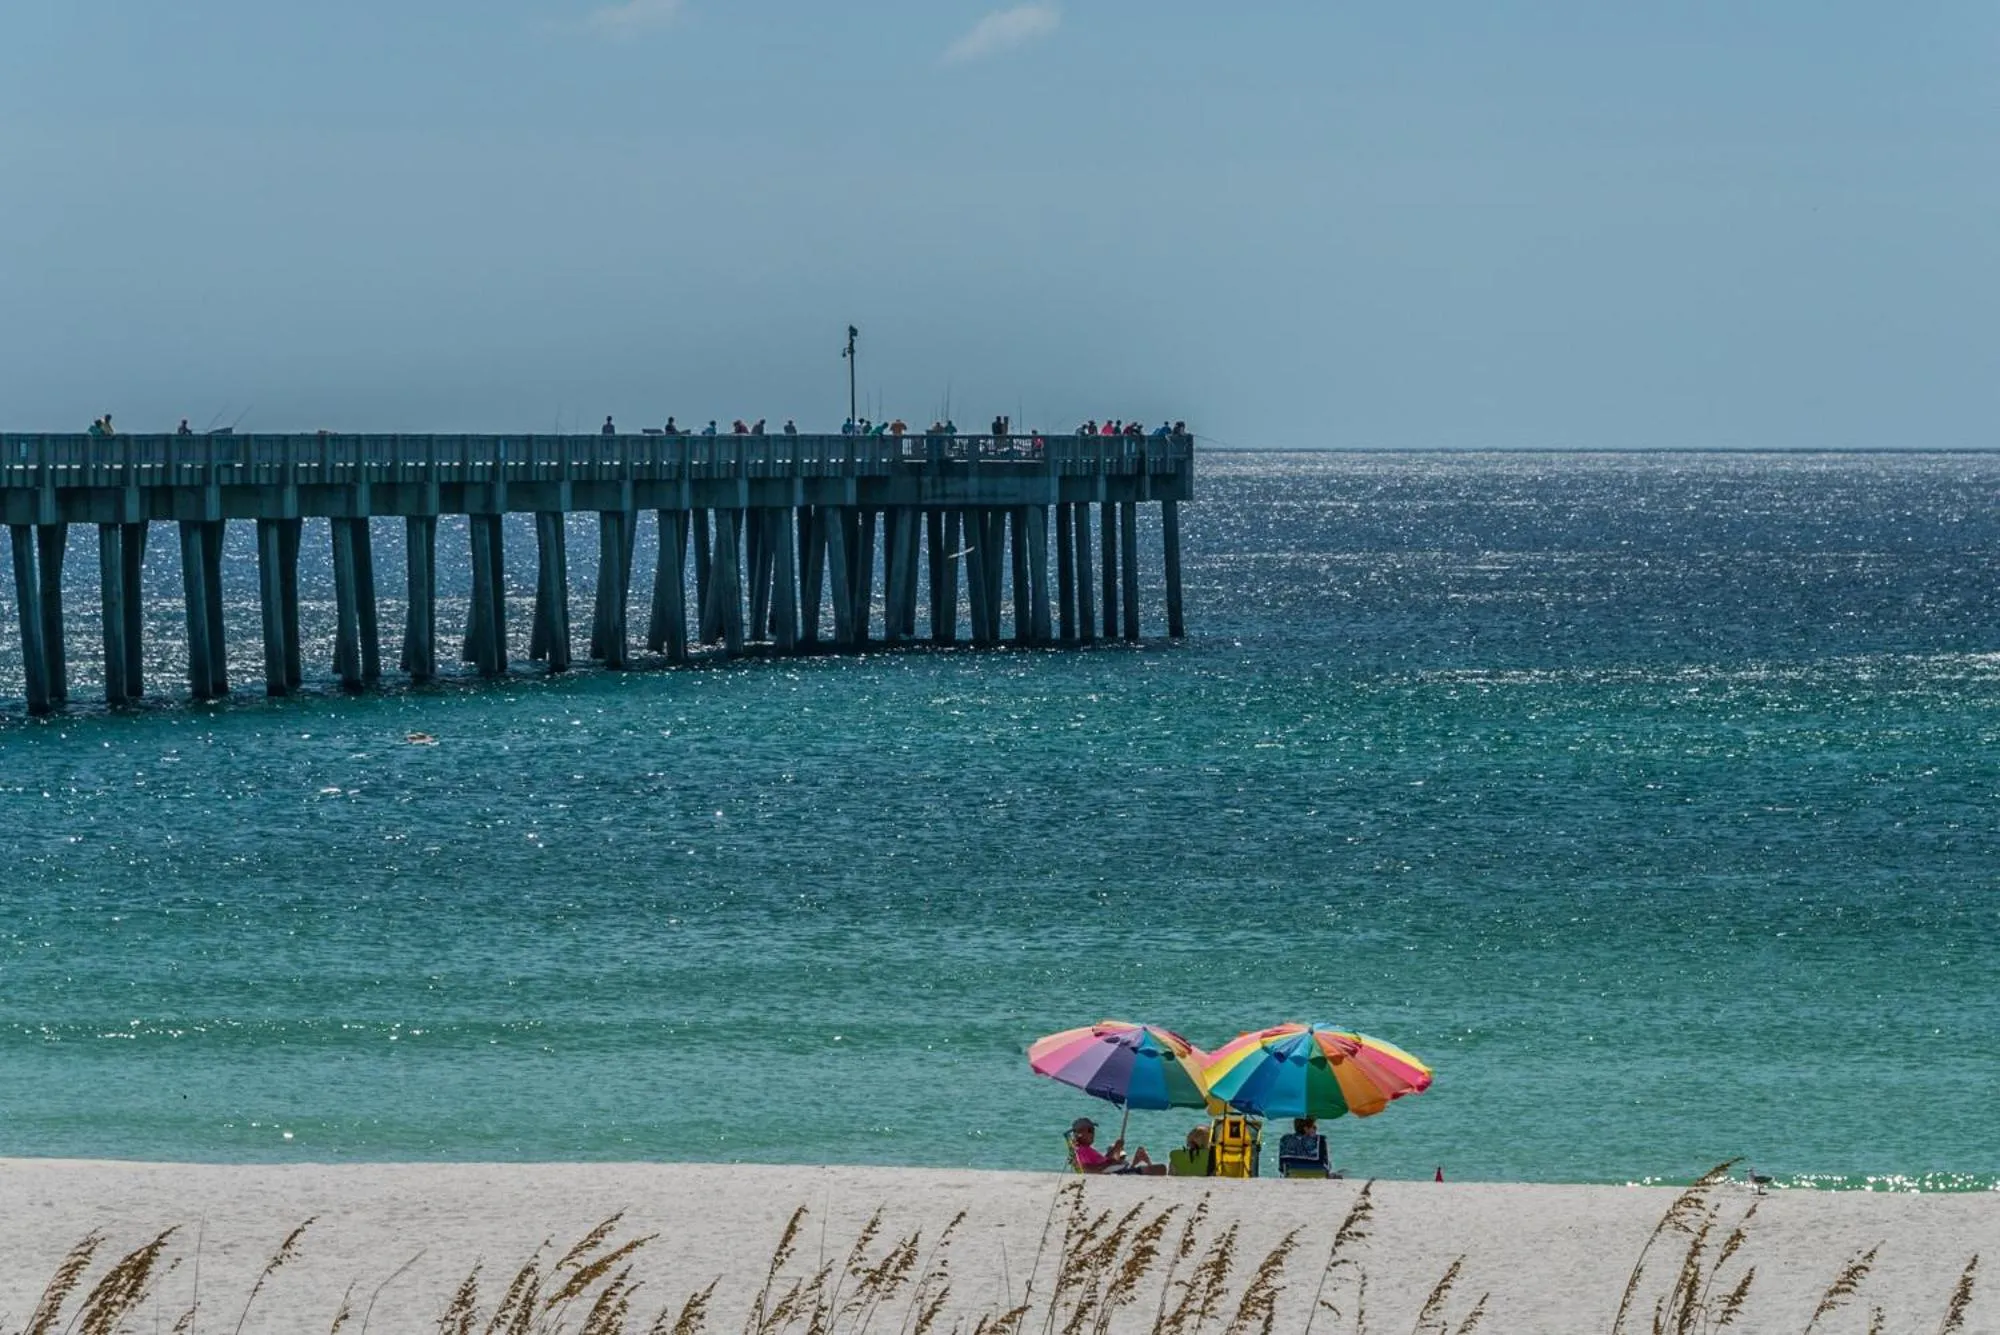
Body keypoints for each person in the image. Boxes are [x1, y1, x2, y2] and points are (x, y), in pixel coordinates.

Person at [1068, 1117, 1164, 1176]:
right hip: (1116, 1172)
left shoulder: (1086, 1149)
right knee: (1161, 1168)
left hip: (1117, 1170)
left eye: (1093, 1130)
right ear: (1079, 1133)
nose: (1093, 1133)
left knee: (1159, 1168)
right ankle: (1136, 1163)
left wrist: (1116, 1148)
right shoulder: (1081, 1150)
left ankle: (1135, 1163)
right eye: (1090, 1130)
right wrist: (1110, 1163)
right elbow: (1087, 1169)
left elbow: (1103, 1161)